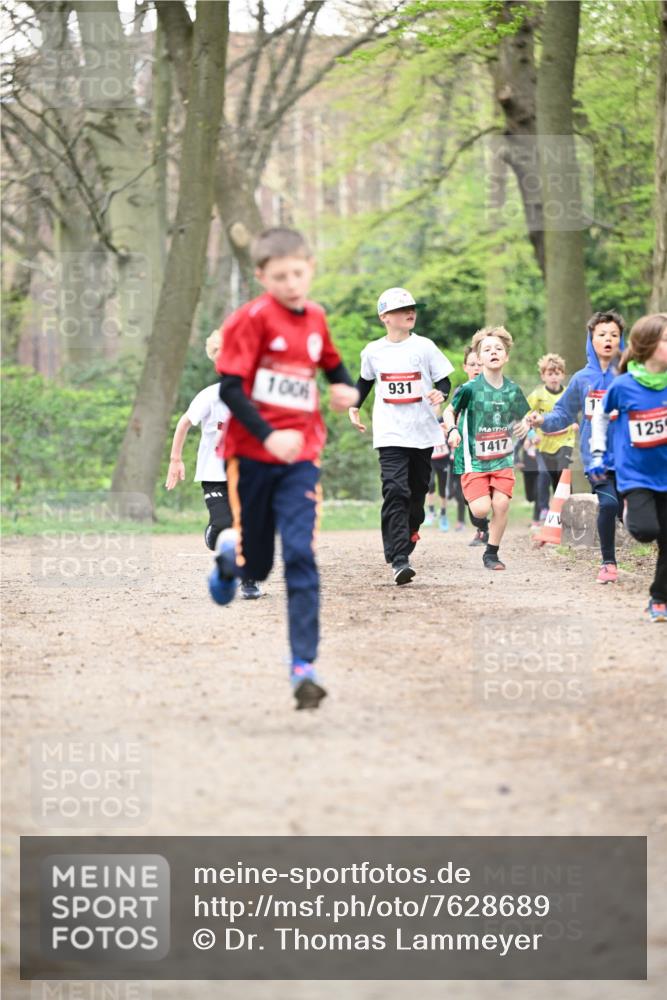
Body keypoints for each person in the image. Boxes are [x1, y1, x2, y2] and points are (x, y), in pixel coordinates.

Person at [210, 227, 359, 710]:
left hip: (301, 457)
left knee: (300, 554)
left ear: (310, 267)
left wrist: (345, 390)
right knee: (260, 564)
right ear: (261, 276)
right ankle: (231, 559)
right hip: (252, 456)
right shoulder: (248, 320)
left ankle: (303, 667)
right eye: (280, 277)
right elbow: (230, 388)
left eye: (298, 273)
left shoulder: (315, 317)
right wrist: (268, 435)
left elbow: (333, 365)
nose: (292, 283)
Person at [348, 287, 454, 584]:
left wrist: (440, 392)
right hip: (390, 432)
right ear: (384, 317)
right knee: (395, 490)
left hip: (421, 432)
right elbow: (365, 381)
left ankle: (407, 534)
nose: (410, 313)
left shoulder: (424, 347)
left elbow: (444, 378)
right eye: (401, 309)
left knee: (417, 494)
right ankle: (399, 558)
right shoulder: (373, 351)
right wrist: (355, 405)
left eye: (412, 308)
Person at [528, 310, 625, 584]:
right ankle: (608, 563)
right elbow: (563, 413)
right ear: (591, 340)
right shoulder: (583, 379)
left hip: (631, 458)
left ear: (622, 340)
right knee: (607, 504)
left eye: (614, 335)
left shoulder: (629, 374)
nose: (608, 339)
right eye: (601, 334)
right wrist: (542, 419)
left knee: (632, 516)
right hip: (598, 459)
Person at [165, 332, 262, 601]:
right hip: (214, 474)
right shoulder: (210, 396)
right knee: (223, 524)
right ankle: (215, 534)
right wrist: (176, 460)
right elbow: (184, 423)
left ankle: (249, 581)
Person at [590, 313, 667, 621]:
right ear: (647, 345)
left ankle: (659, 599)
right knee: (646, 531)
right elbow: (599, 416)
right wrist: (597, 453)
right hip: (635, 475)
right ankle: (628, 511)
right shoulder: (623, 386)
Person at [444, 326, 530, 571]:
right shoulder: (470, 389)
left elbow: (523, 416)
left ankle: (491, 553)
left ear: (506, 356)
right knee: (481, 509)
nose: (493, 352)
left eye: (498, 349)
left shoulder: (512, 390)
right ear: (479, 359)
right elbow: (450, 412)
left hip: (502, 458)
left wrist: (525, 424)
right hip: (474, 459)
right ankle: (478, 508)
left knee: (501, 504)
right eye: (487, 349)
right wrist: (452, 430)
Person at [445, 346, 490, 545]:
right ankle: (482, 526)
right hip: (466, 452)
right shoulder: (462, 391)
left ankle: (488, 531)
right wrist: (450, 428)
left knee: (490, 492)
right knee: (466, 496)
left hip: (490, 451)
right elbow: (451, 414)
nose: (477, 368)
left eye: (480, 364)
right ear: (465, 367)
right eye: (472, 364)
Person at [527, 353, 576, 522]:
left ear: (563, 375)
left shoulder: (568, 394)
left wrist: (575, 423)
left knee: (563, 474)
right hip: (543, 443)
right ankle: (545, 508)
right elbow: (525, 415)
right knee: (546, 476)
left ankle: (568, 508)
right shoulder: (537, 395)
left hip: (565, 440)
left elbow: (573, 412)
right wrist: (532, 434)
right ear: (543, 376)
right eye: (550, 374)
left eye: (557, 373)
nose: (554, 377)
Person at [424, 413, 451, 531]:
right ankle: (430, 512)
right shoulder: (424, 419)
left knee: (442, 488)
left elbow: (452, 435)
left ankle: (443, 515)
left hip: (443, 459)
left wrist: (448, 432)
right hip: (430, 459)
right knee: (430, 484)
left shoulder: (442, 420)